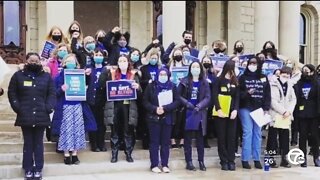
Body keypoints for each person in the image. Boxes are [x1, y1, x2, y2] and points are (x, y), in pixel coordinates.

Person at [8, 52, 56, 180]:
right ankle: (28, 168)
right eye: (31, 60)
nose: (34, 63)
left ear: (40, 62)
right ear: (27, 61)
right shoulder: (18, 76)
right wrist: (18, 108)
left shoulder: (46, 77)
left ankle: (38, 168)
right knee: (28, 143)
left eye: (36, 61)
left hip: (42, 114)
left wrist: (48, 107)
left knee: (39, 143)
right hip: (25, 115)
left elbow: (52, 94)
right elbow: (12, 93)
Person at [51, 54, 97, 165]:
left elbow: (89, 84)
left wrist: (88, 75)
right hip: (64, 106)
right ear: (64, 63)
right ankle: (66, 154)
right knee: (66, 130)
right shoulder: (58, 77)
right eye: (68, 61)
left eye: (73, 61)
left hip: (78, 105)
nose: (70, 63)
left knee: (77, 130)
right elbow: (53, 94)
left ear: (76, 63)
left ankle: (75, 154)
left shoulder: (80, 74)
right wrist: (61, 89)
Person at [99, 55, 141, 163]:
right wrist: (105, 71)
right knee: (115, 131)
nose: (122, 63)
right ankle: (114, 154)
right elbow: (103, 86)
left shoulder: (133, 75)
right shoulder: (111, 74)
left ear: (128, 63)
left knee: (128, 131)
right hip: (115, 106)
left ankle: (128, 153)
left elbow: (140, 91)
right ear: (117, 62)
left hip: (128, 106)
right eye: (120, 61)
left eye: (124, 61)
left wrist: (138, 87)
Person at [143, 68, 180, 173]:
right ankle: (154, 164)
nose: (163, 76)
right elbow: (145, 101)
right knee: (154, 142)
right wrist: (155, 109)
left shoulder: (172, 86)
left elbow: (177, 101)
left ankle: (165, 164)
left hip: (167, 117)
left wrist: (166, 108)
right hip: (154, 118)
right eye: (161, 74)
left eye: (165, 74)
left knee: (165, 143)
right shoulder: (151, 86)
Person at [238, 56, 271, 169]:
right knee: (248, 132)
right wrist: (247, 93)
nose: (252, 65)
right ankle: (245, 159)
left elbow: (267, 94)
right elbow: (239, 95)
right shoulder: (242, 78)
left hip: (259, 109)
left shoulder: (264, 77)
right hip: (245, 107)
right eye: (250, 63)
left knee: (257, 133)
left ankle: (256, 159)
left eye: (254, 63)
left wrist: (266, 108)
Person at [178, 61, 211, 171]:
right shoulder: (184, 81)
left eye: (197, 67)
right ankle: (189, 162)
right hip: (188, 112)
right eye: (193, 67)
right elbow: (178, 96)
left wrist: (200, 105)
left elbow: (208, 97)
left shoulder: (204, 82)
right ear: (190, 69)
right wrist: (187, 103)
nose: (195, 68)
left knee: (200, 139)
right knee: (187, 139)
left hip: (200, 112)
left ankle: (201, 161)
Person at [266, 66, 297, 168]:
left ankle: (284, 159)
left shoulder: (290, 85)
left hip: (286, 116)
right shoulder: (273, 84)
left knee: (285, 139)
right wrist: (282, 111)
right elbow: (272, 101)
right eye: (284, 73)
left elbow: (293, 100)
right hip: (276, 115)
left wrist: (288, 111)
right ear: (280, 73)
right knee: (272, 139)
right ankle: (271, 159)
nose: (286, 75)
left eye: (288, 74)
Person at [212, 60, 240, 171]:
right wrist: (218, 109)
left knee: (231, 137)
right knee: (222, 137)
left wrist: (235, 110)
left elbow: (237, 97)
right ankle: (223, 161)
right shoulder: (218, 80)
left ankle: (231, 160)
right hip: (221, 112)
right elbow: (214, 95)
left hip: (232, 112)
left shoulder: (235, 81)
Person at [293, 64, 320, 167]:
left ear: (312, 72)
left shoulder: (317, 83)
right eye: (304, 71)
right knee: (302, 137)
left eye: (307, 71)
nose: (306, 73)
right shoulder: (299, 84)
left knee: (314, 137)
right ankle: (302, 158)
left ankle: (316, 157)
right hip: (302, 114)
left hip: (314, 115)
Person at [139, 48, 164, 149]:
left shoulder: (160, 68)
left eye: (155, 58)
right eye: (152, 58)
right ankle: (146, 143)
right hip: (146, 96)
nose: (154, 59)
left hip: (159, 98)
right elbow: (140, 82)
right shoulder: (143, 69)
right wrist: (148, 81)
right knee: (146, 122)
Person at [87, 48, 108, 152]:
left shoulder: (106, 70)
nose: (98, 57)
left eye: (100, 55)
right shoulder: (89, 69)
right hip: (91, 100)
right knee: (92, 122)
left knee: (101, 123)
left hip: (102, 100)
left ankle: (101, 143)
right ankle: (93, 143)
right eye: (96, 55)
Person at [201, 55, 217, 148]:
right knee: (204, 121)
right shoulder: (200, 73)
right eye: (205, 61)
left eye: (208, 61)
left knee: (209, 120)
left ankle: (209, 136)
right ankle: (203, 140)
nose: (206, 63)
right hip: (202, 99)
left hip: (211, 99)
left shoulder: (212, 74)